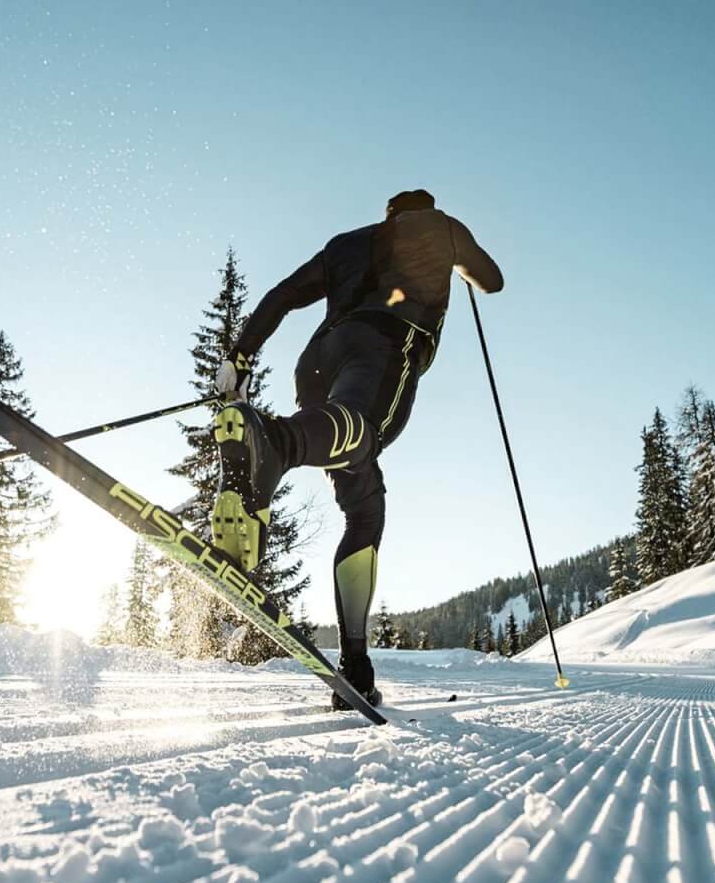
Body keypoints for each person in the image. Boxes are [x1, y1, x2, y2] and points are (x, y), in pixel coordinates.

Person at [211, 189, 503, 709]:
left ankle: (357, 667)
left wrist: (241, 356)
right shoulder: (442, 228)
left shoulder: (347, 244)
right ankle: (274, 444)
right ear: (426, 211)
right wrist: (461, 265)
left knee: (364, 505)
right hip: (386, 345)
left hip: (317, 362)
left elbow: (283, 295)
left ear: (387, 214)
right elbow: (493, 279)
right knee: (365, 431)